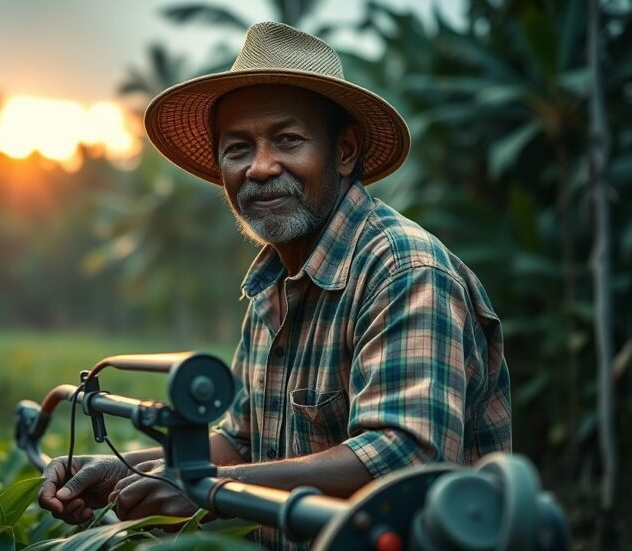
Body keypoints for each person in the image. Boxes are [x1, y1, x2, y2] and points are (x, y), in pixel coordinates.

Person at [38, 21, 511, 549]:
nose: (260, 168)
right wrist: (128, 469)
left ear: (345, 152)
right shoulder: (271, 286)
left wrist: (206, 488)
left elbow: (406, 455)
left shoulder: (404, 272)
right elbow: (243, 444)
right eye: (238, 148)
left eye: (287, 140)